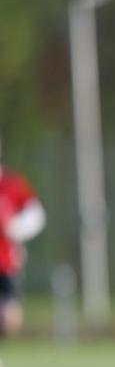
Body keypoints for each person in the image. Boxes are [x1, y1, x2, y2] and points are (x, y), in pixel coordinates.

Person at [0, 138, 46, 339]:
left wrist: (15, 229)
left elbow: (36, 215)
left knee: (10, 319)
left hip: (5, 262)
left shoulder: (11, 184)